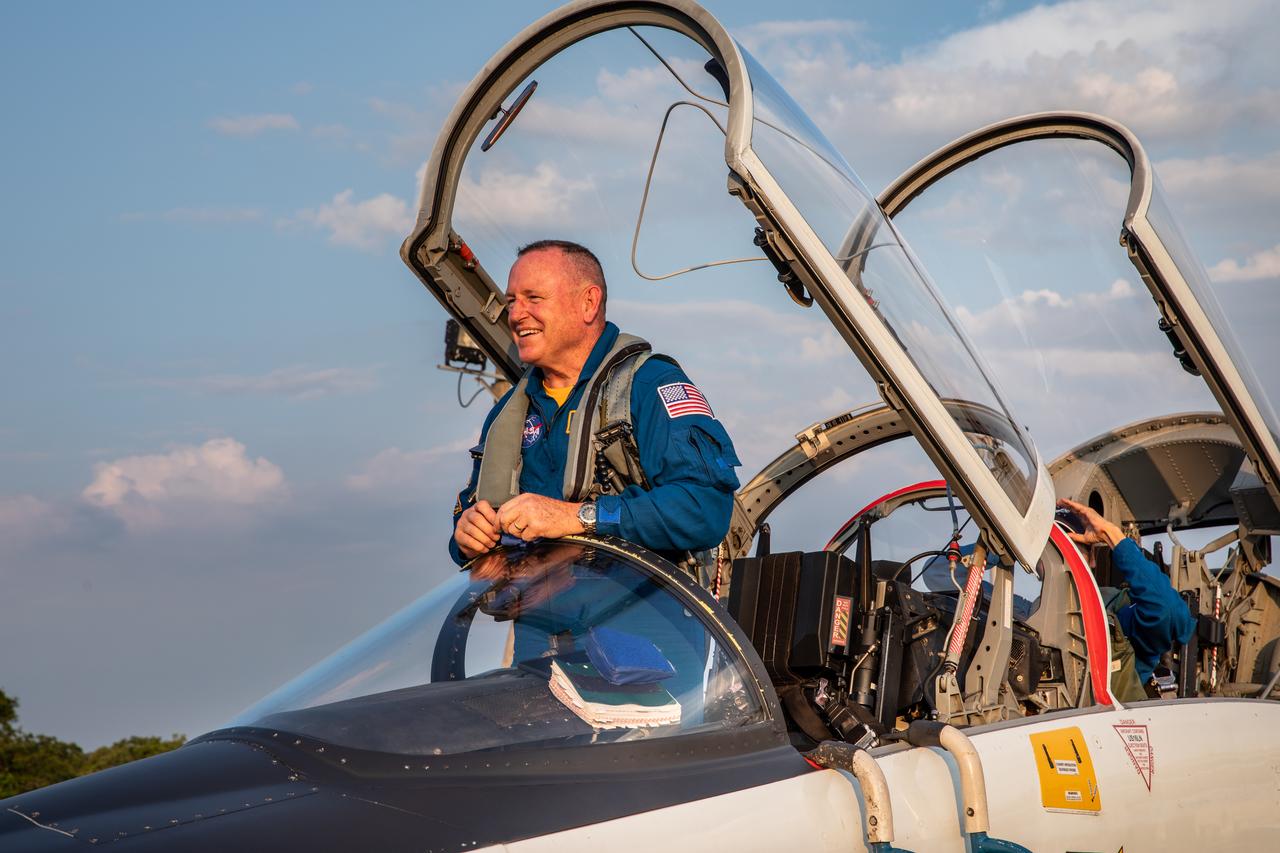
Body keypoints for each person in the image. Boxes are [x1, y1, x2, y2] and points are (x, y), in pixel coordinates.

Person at [450, 239, 740, 577]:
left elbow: (703, 508)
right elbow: (469, 515)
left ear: (588, 303)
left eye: (534, 298)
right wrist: (466, 535)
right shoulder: (508, 415)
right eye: (511, 301)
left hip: (641, 621)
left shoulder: (648, 385)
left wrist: (579, 516)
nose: (515, 314)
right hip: (539, 625)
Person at [1056, 497, 1196, 701]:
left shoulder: (1111, 610)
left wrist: (1111, 536)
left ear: (1093, 559)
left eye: (1075, 550)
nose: (1064, 560)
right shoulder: (1019, 617)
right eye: (1055, 550)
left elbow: (1168, 610)